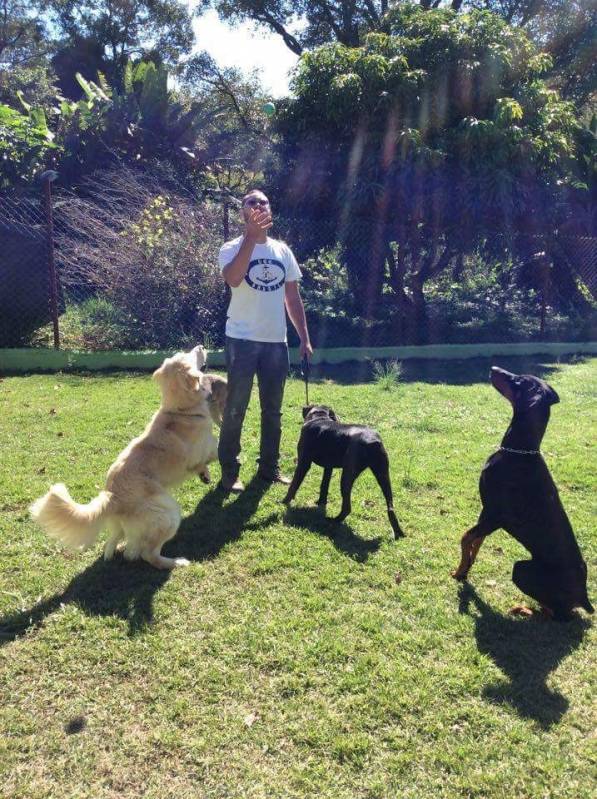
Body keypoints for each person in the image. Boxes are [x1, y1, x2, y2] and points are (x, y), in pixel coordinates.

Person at [217, 189, 313, 493]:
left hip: (276, 342)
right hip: (242, 340)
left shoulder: (282, 251)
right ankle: (230, 472)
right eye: (251, 202)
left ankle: (269, 469)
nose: (258, 205)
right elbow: (233, 278)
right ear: (243, 212)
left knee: (273, 410)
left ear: (270, 210)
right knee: (236, 407)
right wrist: (250, 237)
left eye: (264, 201)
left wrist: (304, 338)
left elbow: (292, 297)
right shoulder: (231, 247)